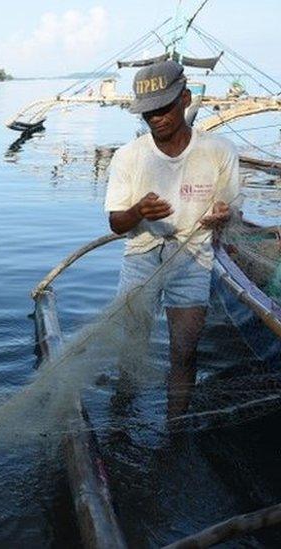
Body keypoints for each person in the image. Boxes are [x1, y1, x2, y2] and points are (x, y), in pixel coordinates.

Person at [104, 60, 241, 418]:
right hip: (142, 255)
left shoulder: (218, 151)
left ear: (185, 99)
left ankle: (176, 429)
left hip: (193, 256)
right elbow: (117, 224)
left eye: (164, 108)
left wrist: (223, 217)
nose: (156, 118)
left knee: (185, 351)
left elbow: (231, 214)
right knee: (131, 346)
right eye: (148, 113)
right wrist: (138, 212)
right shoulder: (128, 157)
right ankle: (122, 412)